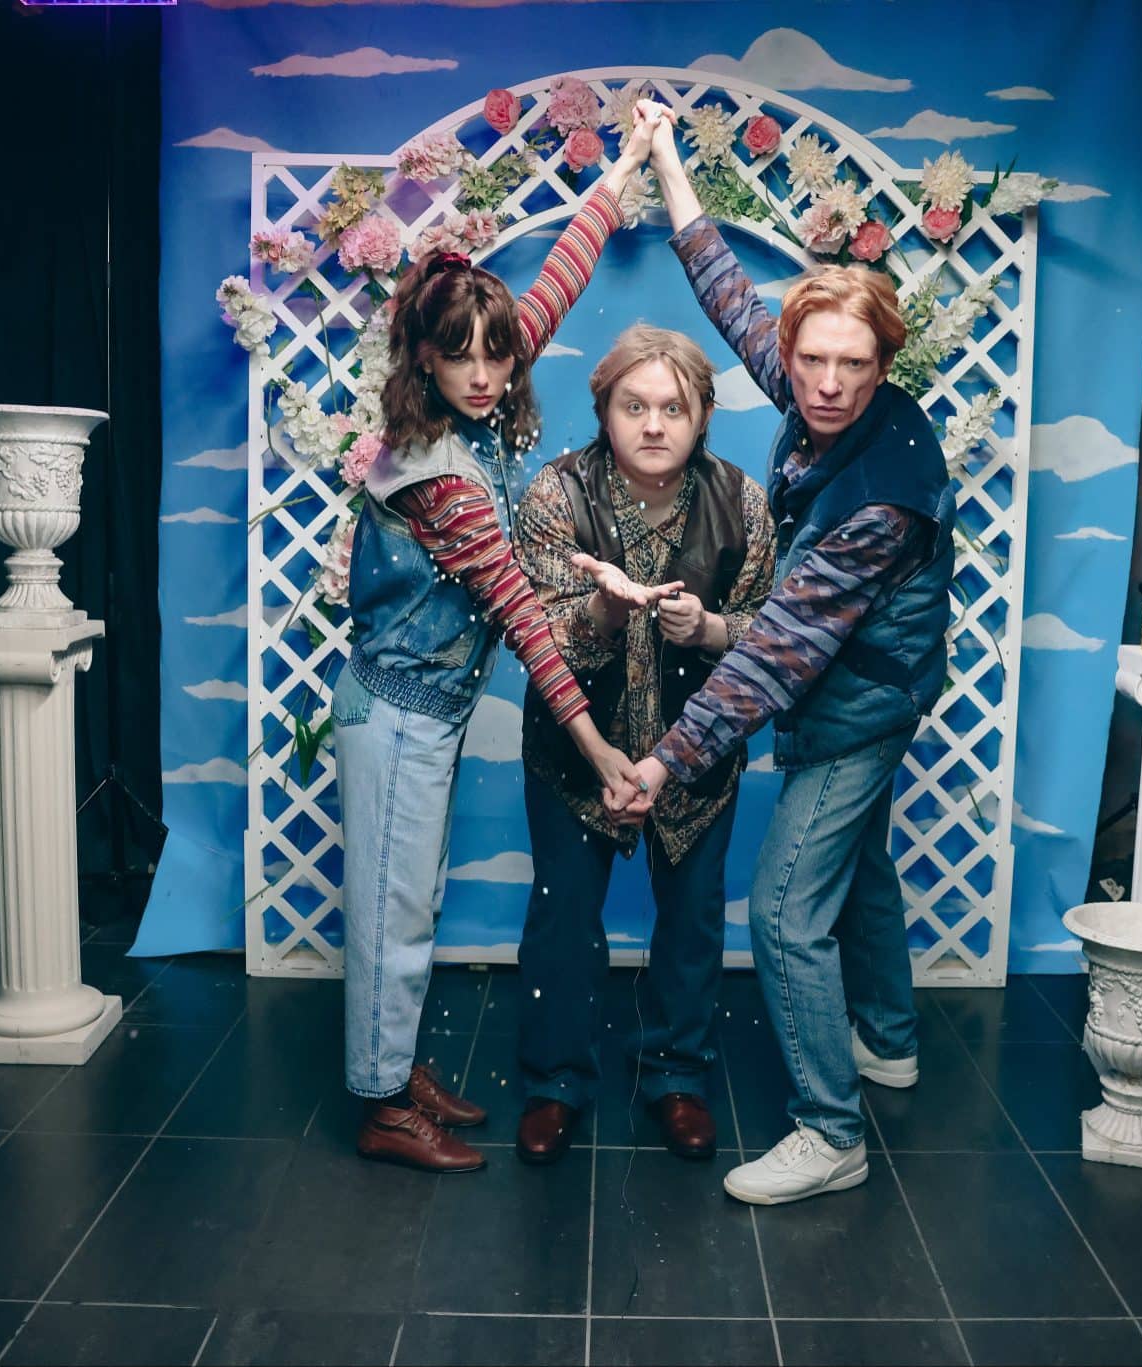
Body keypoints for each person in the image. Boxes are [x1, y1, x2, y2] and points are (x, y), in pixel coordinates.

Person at [608, 109, 956, 1205]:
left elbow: (772, 658)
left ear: (884, 365)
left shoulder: (878, 500)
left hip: (861, 703)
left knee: (786, 908)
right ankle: (889, 1040)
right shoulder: (817, 389)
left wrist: (662, 761)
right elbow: (727, 290)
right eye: (810, 360)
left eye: (853, 365)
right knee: (864, 865)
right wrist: (669, 161)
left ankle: (830, 1129)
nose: (826, 384)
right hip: (868, 679)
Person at [333, 110, 665, 1173]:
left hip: (420, 711)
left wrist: (623, 167)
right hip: (396, 714)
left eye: (496, 353)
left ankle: (394, 1067)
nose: (483, 373)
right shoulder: (444, 479)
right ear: (422, 359)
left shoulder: (467, 411)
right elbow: (523, 619)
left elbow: (557, 278)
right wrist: (602, 752)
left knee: (413, 900)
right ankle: (382, 1101)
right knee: (392, 913)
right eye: (458, 356)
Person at [508, 324, 775, 1165]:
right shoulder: (557, 495)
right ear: (604, 411)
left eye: (673, 408)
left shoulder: (743, 504)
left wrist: (712, 629)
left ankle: (677, 1075)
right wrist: (604, 609)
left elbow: (774, 639)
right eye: (634, 406)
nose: (654, 424)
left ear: (703, 416)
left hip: (696, 760)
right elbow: (536, 637)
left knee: (693, 920)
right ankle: (555, 1081)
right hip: (575, 751)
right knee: (562, 917)